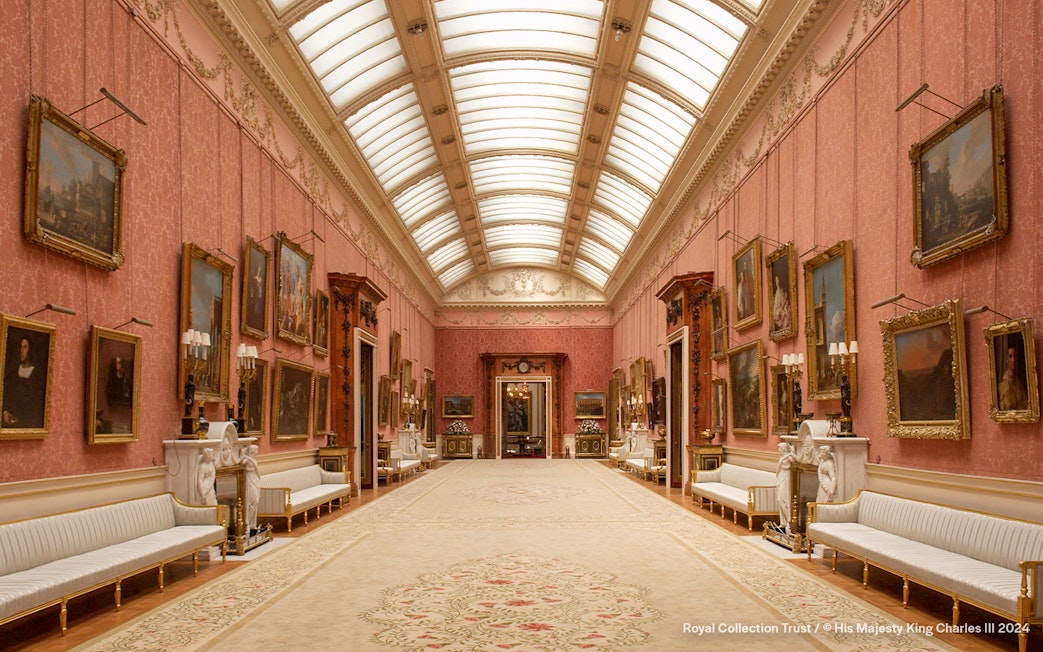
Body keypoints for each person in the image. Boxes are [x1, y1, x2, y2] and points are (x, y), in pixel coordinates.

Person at [2, 335, 46, 428]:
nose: (21, 351)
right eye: (20, 347)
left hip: (26, 423)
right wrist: (5, 411)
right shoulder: (13, 373)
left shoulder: (37, 377)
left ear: (30, 350)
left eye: (25, 347)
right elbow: (5, 395)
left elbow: (36, 407)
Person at [998, 342, 1029, 411]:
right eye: (1010, 356)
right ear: (1006, 360)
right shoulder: (1004, 384)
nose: (1013, 360)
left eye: (1014, 356)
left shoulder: (1018, 381)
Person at [776, 442, 795, 533]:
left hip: (787, 477)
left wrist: (792, 452)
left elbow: (795, 461)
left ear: (783, 449)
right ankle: (783, 522)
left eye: (779, 448)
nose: (778, 449)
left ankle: (789, 520)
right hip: (781, 477)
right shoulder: (782, 457)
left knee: (783, 499)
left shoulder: (788, 457)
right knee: (780, 499)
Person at [241, 445, 260, 533]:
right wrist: (242, 455)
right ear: (252, 451)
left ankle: (251, 523)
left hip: (255, 479)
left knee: (256, 501)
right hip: (248, 479)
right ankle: (246, 521)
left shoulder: (252, 459)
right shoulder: (247, 460)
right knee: (251, 500)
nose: (257, 451)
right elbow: (241, 462)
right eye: (256, 450)